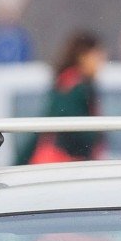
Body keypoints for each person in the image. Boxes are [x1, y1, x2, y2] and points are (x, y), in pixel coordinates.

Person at [13, 31, 107, 165]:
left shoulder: (71, 82)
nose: (101, 62)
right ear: (83, 56)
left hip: (72, 163)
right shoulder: (73, 85)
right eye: (97, 56)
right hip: (70, 164)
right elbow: (63, 123)